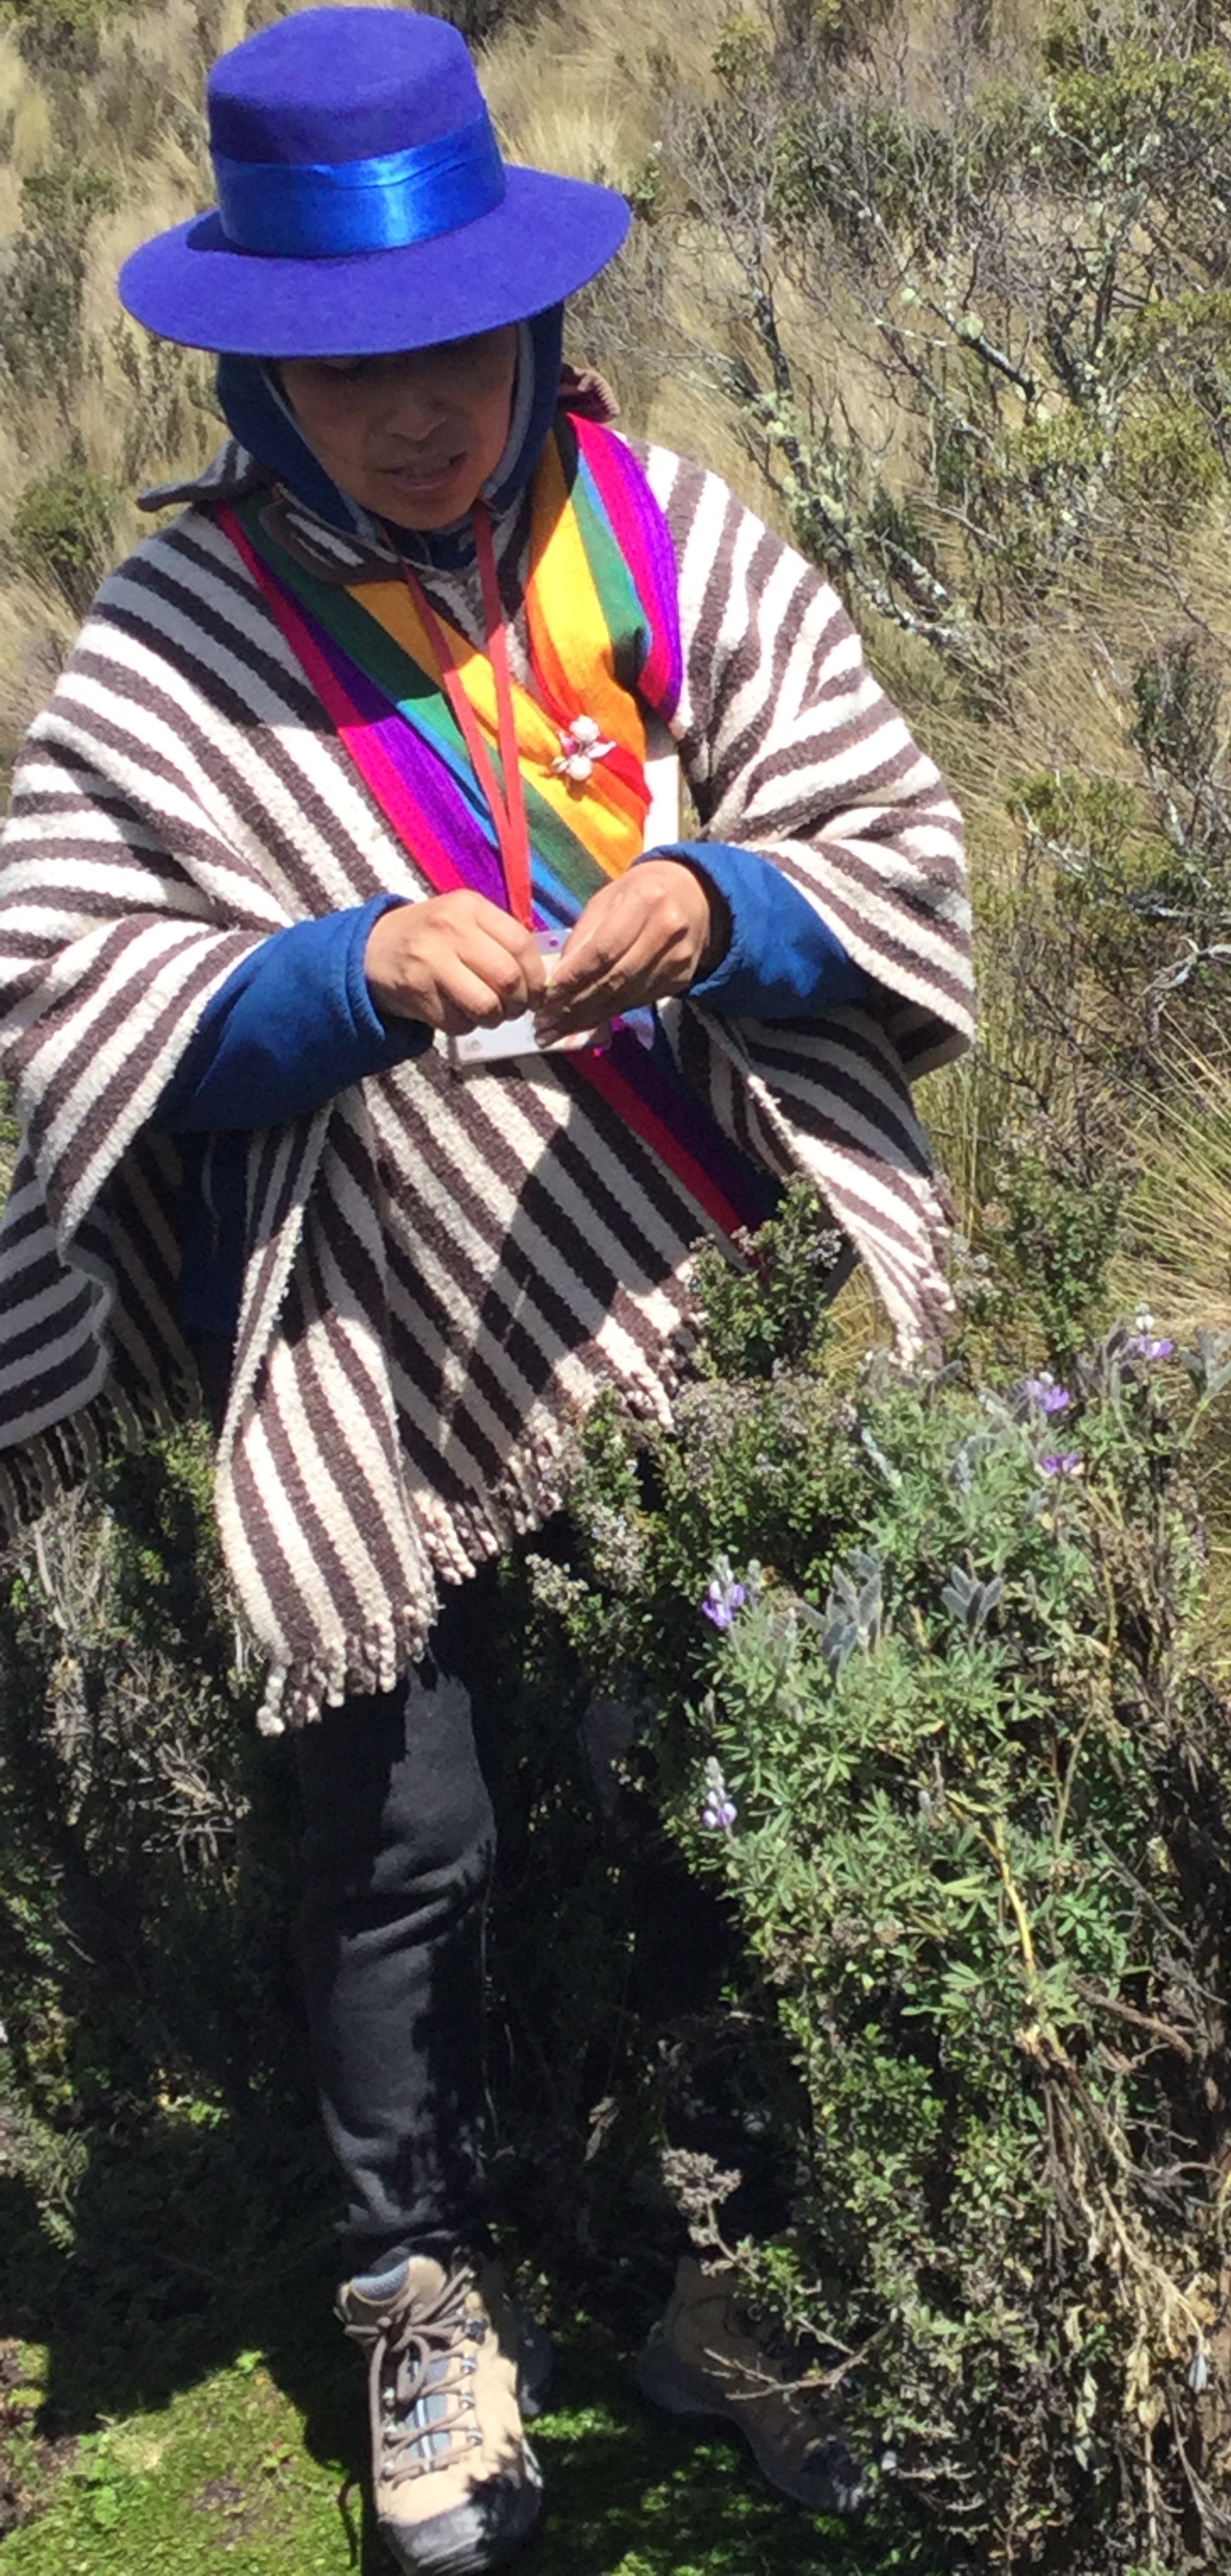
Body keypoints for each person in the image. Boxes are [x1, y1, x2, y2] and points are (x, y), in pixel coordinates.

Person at [0, 12, 973, 2573]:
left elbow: (882, 831)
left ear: (536, 319)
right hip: (362, 1339)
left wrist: (722, 904)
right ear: (254, 372)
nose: (420, 413)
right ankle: (415, 2290)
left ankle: (708, 2266)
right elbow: (70, 988)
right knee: (401, 1829)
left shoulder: (662, 538)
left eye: (460, 345)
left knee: (707, 1786)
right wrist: (340, 974)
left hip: (686, 1285)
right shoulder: (176, 627)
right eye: (351, 370)